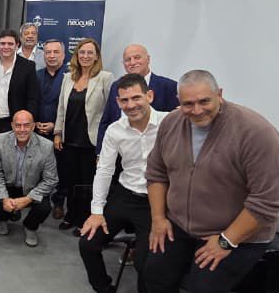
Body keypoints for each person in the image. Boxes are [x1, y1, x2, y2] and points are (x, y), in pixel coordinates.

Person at [133, 70, 279, 293]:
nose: (197, 110)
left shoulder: (256, 133)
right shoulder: (173, 123)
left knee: (205, 288)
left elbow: (267, 202)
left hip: (241, 233)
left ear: (220, 94)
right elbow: (157, 173)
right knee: (154, 267)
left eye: (205, 101)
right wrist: (158, 218)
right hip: (184, 223)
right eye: (188, 104)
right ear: (178, 102)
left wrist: (226, 241)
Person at [76, 74, 166, 293]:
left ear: (149, 96)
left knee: (146, 261)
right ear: (118, 102)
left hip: (157, 202)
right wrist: (96, 211)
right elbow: (104, 170)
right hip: (125, 195)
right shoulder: (115, 130)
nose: (131, 105)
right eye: (125, 100)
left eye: (136, 97)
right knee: (88, 243)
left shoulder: (169, 123)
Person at [53, 38, 114, 230]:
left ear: (96, 56)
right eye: (82, 52)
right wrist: (57, 133)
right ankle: (71, 215)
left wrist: (104, 143)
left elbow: (109, 112)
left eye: (90, 53)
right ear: (77, 55)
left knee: (87, 183)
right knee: (70, 180)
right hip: (69, 139)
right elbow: (61, 108)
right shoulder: (68, 77)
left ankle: (84, 220)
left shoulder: (105, 78)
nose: (85, 56)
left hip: (90, 140)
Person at [0, 110, 58, 247]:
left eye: (26, 125)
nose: (22, 129)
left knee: (44, 208)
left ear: (33, 126)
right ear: (12, 126)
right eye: (18, 125)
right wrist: (4, 197)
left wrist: (28, 199)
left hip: (32, 188)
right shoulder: (0, 140)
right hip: (9, 186)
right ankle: (3, 218)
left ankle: (30, 226)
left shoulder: (46, 146)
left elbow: (51, 179)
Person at [96, 43, 180, 148]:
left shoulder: (169, 86)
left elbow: (175, 123)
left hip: (155, 151)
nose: (132, 62)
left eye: (137, 57)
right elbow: (107, 120)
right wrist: (100, 151)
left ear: (148, 59)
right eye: (128, 59)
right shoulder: (116, 86)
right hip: (119, 151)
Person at [0, 29, 41, 141]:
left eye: (10, 44)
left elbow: (33, 97)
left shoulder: (28, 66)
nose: (6, 47)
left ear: (17, 45)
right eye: (3, 43)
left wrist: (27, 121)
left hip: (16, 124)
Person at [34, 39, 67, 217]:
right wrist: (34, 122)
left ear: (63, 55)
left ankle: (59, 202)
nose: (51, 56)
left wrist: (56, 126)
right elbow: (32, 100)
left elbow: (72, 107)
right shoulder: (37, 75)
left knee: (61, 169)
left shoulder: (71, 76)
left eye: (56, 52)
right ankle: (40, 199)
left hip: (60, 132)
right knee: (38, 167)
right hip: (37, 130)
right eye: (48, 52)